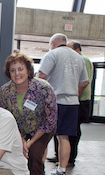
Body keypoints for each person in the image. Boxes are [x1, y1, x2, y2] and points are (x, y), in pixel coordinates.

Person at [37, 33, 88, 175]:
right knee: (64, 137)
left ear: (52, 43)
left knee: (44, 137)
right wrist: (73, 92)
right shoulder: (79, 58)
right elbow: (84, 82)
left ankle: (40, 169)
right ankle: (62, 170)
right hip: (72, 103)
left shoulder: (52, 54)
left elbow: (41, 77)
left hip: (54, 102)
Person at [0, 53, 57, 174]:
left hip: (42, 128)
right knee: (10, 153)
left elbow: (50, 120)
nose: (17, 73)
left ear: (28, 70)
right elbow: (6, 118)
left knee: (34, 156)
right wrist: (21, 140)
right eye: (13, 70)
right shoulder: (5, 91)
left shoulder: (44, 88)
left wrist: (30, 143)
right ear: (9, 73)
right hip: (17, 129)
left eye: (20, 69)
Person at [67, 40, 94, 166]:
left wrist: (73, 96)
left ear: (76, 49)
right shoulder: (77, 60)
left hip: (80, 101)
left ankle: (71, 158)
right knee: (68, 130)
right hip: (76, 100)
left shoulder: (82, 60)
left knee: (74, 130)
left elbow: (85, 82)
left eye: (69, 49)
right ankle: (66, 156)